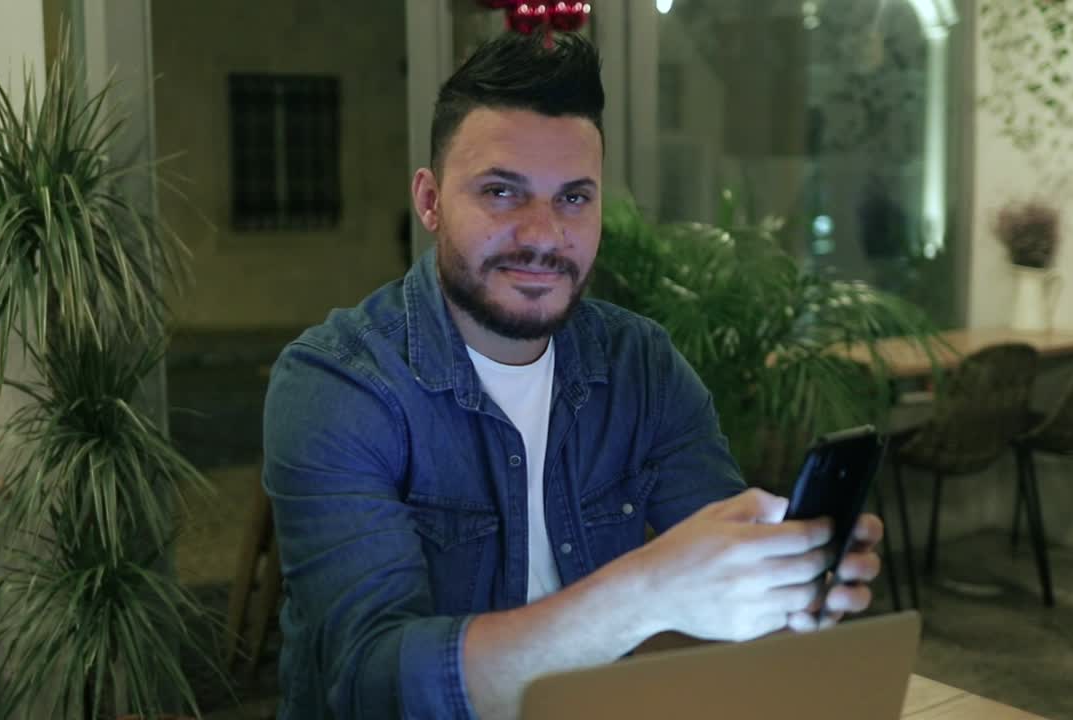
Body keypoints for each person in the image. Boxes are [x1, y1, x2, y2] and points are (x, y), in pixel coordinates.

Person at [263, 30, 883, 720]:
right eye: (502, 192)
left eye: (574, 199)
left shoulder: (640, 365)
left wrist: (782, 582)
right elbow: (374, 685)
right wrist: (645, 592)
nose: (542, 235)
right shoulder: (339, 385)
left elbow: (714, 579)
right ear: (430, 200)